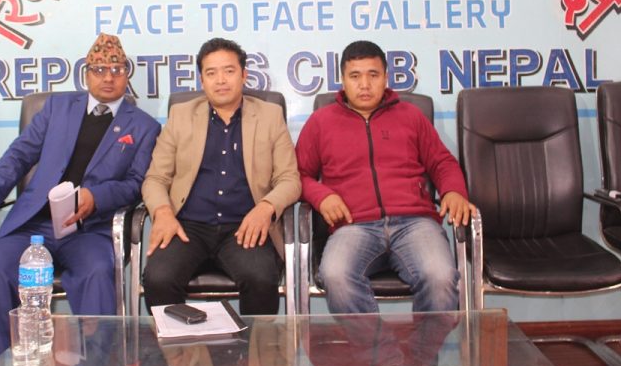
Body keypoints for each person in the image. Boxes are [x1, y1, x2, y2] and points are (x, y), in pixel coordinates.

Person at [0, 33, 161, 366]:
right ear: (86, 74)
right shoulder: (58, 108)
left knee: (97, 273)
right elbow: (19, 156)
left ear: (127, 74)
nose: (108, 77)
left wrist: (97, 196)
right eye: (99, 69)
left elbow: (136, 184)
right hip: (35, 225)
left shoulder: (144, 126)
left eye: (117, 69)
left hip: (90, 230)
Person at [295, 40, 474, 314]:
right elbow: (298, 174)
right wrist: (322, 196)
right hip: (353, 225)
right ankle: (375, 345)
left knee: (440, 277)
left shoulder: (410, 116)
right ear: (342, 80)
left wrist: (453, 191)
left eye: (373, 75)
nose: (364, 85)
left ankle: (423, 346)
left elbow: (442, 162)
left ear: (386, 78)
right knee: (335, 276)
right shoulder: (321, 121)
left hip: (414, 224)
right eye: (355, 76)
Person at [141, 37, 301, 315]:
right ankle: (179, 343)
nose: (221, 80)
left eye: (229, 71)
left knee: (261, 279)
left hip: (244, 226)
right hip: (187, 226)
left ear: (244, 75)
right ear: (202, 80)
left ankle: (254, 345)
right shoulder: (181, 115)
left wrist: (266, 208)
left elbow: (290, 179)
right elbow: (155, 179)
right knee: (159, 278)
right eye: (211, 73)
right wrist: (163, 212)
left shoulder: (270, 115)